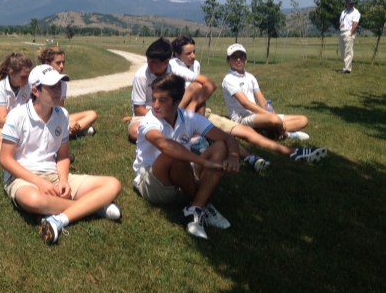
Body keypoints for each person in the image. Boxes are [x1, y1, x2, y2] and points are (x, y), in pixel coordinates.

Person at [0, 65, 122, 245]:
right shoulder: (17, 116)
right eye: (52, 87)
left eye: (60, 85)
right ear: (35, 90)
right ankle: (94, 207)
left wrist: (64, 180)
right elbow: (5, 159)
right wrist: (38, 181)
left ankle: (58, 219)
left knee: (113, 184)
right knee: (33, 200)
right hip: (21, 177)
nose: (59, 90)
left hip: (54, 175)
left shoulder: (62, 115)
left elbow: (63, 155)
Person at [172, 36, 327, 164]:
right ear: (177, 55)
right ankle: (262, 153)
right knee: (197, 89)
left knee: (240, 133)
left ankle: (288, 150)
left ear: (246, 59)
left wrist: (270, 112)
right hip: (189, 114)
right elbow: (213, 88)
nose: (193, 56)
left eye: (194, 52)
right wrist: (271, 117)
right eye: (188, 53)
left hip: (202, 112)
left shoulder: (196, 65)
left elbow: (210, 88)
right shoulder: (174, 66)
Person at [132, 73, 240, 240]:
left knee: (219, 146)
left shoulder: (188, 118)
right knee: (173, 155)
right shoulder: (149, 120)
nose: (155, 105)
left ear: (177, 102)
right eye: (153, 99)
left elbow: (227, 138)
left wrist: (233, 156)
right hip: (152, 182)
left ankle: (195, 208)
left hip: (182, 175)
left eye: (163, 100)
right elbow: (165, 145)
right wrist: (203, 162)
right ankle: (203, 202)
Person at [222, 44, 321, 151]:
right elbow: (246, 104)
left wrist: (272, 114)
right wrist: (271, 116)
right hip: (242, 118)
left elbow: (263, 101)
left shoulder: (250, 77)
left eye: (241, 56)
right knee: (274, 119)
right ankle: (286, 134)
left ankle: (270, 130)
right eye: (234, 57)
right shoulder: (229, 79)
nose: (238, 59)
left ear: (246, 59)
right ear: (228, 61)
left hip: (257, 115)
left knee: (303, 120)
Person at [126, 37, 216, 142]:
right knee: (134, 132)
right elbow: (138, 110)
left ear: (166, 62)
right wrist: (163, 116)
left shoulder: (176, 69)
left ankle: (196, 136)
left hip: (172, 110)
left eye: (154, 62)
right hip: (149, 112)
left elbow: (211, 84)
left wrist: (193, 105)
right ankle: (185, 133)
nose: (148, 65)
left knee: (197, 87)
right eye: (148, 60)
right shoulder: (141, 75)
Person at [37, 46, 97, 137]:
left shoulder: (63, 83)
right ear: (47, 64)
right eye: (58, 63)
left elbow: (60, 109)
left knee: (92, 114)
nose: (62, 66)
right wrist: (65, 124)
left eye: (63, 62)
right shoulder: (38, 81)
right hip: (41, 120)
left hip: (56, 116)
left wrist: (64, 122)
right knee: (65, 124)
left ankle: (70, 130)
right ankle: (76, 131)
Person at [338, 0, 360, 74]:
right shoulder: (343, 12)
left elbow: (355, 23)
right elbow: (341, 22)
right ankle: (345, 66)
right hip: (342, 31)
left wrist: (350, 32)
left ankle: (347, 69)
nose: (351, 4)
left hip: (349, 32)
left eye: (352, 3)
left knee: (348, 51)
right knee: (343, 51)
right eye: (350, 3)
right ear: (346, 4)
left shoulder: (355, 12)